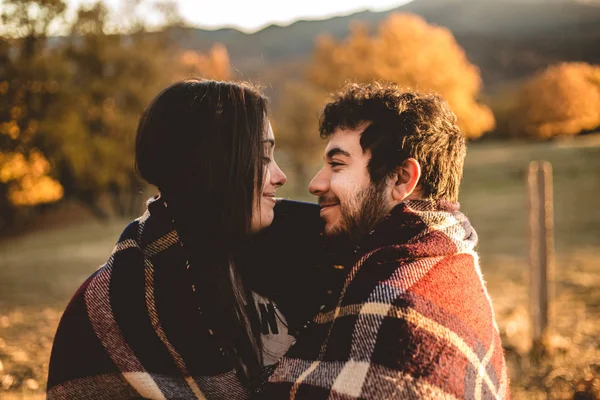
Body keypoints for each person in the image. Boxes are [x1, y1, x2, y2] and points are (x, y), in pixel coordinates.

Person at [46, 79, 328, 399]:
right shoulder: (114, 306)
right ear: (213, 164)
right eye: (263, 157)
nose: (281, 176)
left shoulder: (303, 249)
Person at [262, 82, 509, 399]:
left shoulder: (398, 310)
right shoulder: (448, 263)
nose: (315, 183)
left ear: (401, 178)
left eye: (337, 164)